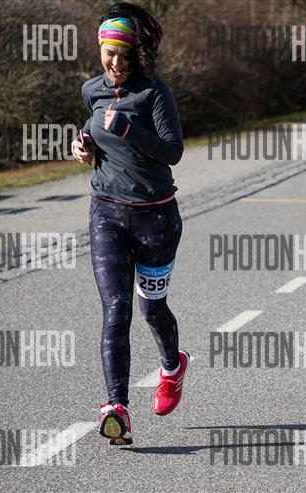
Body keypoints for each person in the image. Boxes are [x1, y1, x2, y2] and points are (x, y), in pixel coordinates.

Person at [71, 2, 188, 446]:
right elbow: (92, 130)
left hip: (156, 216)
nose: (116, 64)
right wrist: (83, 145)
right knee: (116, 310)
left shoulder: (154, 92)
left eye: (124, 55)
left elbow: (173, 150)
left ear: (136, 54)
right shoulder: (91, 90)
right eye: (109, 54)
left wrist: (128, 131)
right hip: (106, 213)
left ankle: (172, 366)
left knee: (152, 309)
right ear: (100, 51)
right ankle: (116, 408)